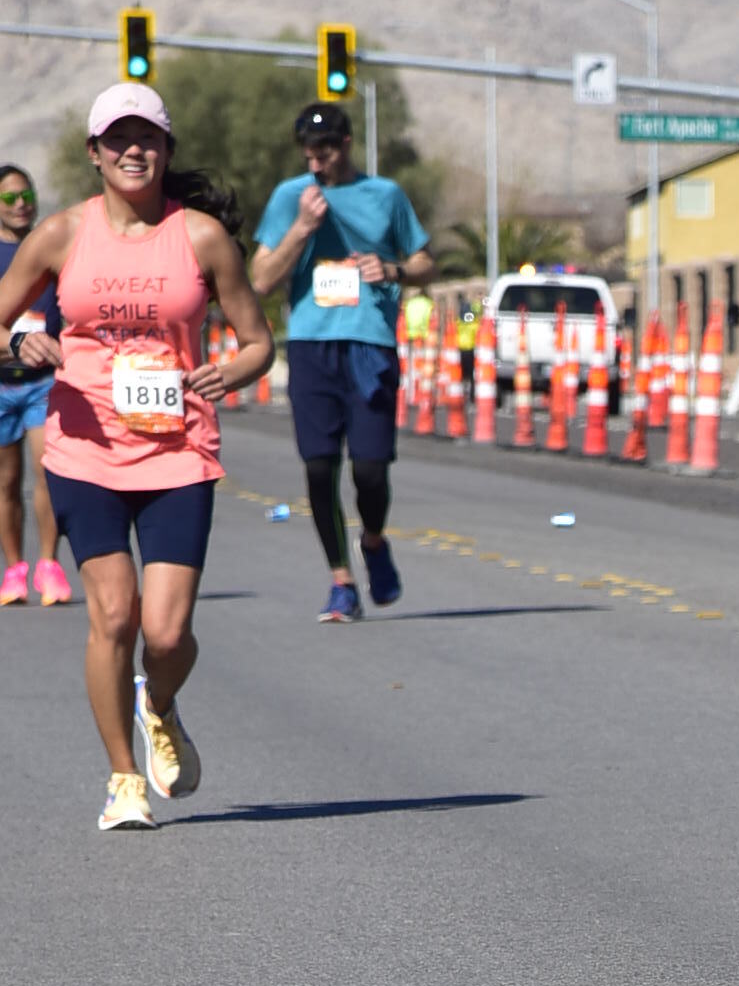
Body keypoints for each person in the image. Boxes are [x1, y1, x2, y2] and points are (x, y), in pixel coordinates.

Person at [0, 84, 272, 829]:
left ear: (166, 150)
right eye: (117, 139)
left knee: (167, 634)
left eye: (146, 137)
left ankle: (161, 700)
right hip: (84, 449)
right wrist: (21, 339)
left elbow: (258, 341)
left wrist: (232, 371)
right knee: (114, 615)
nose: (132, 150)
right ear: (94, 154)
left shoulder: (201, 237)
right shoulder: (61, 234)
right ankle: (123, 778)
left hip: (179, 451)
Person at [250, 99, 431, 621]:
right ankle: (341, 581)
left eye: (325, 150)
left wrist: (393, 270)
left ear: (346, 144)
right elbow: (261, 279)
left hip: (370, 344)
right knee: (319, 466)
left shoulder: (385, 195)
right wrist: (302, 228)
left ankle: (373, 540)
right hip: (312, 345)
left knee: (370, 469)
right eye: (308, 152)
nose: (316, 162)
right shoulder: (291, 197)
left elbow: (424, 261)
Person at [0, 162, 70, 605]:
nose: (21, 204)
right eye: (9, 197)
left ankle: (48, 564)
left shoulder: (51, 249)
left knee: (48, 472)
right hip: (1, 384)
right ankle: (14, 569)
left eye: (26, 195)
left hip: (45, 382)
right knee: (7, 482)